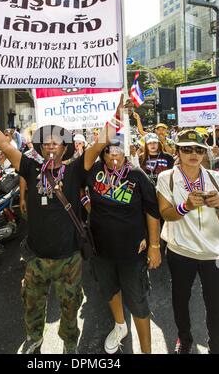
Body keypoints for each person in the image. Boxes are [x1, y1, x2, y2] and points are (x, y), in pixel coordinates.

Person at [0, 96, 124, 355]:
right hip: (36, 257)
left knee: (70, 306)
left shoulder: (75, 169)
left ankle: (69, 344)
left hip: (69, 259)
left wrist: (118, 116)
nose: (51, 146)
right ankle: (34, 339)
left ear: (65, 148)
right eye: (47, 143)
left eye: (56, 143)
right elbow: (4, 145)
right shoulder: (31, 168)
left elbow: (99, 145)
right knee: (32, 303)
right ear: (42, 148)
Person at [85, 136, 161, 354]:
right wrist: (88, 207)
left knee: (137, 300)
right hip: (100, 250)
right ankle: (120, 326)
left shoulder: (137, 175)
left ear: (126, 151)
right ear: (101, 152)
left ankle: (146, 351)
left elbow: (152, 211)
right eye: (108, 150)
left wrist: (154, 246)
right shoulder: (92, 170)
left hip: (132, 253)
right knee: (109, 290)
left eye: (118, 149)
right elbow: (78, 188)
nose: (113, 154)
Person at [157, 130, 219, 354]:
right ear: (177, 151)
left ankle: (216, 345)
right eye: (187, 149)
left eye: (198, 149)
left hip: (214, 252)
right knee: (180, 300)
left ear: (204, 152)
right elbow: (165, 214)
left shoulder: (218, 178)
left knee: (217, 305)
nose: (193, 153)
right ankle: (184, 339)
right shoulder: (166, 177)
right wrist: (184, 207)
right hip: (181, 251)